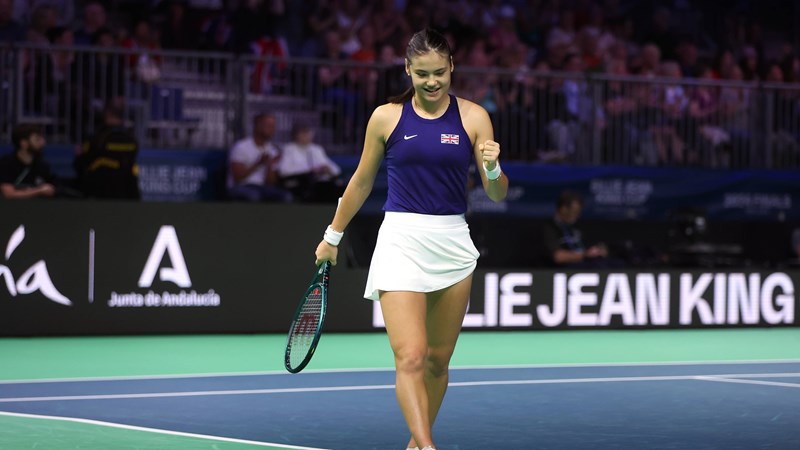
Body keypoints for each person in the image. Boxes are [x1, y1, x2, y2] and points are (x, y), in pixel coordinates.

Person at [313, 28, 508, 450]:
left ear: (452, 67)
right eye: (422, 74)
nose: (433, 82)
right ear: (407, 70)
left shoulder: (474, 117)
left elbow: (496, 192)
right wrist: (333, 235)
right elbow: (361, 182)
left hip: (453, 240)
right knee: (412, 356)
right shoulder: (387, 117)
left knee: (438, 362)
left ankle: (415, 444)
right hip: (401, 238)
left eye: (440, 72)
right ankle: (427, 445)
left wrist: (492, 169)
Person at [73, 99, 140, 199]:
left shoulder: (96, 138)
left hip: (99, 192)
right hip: (128, 192)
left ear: (107, 113)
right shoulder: (132, 140)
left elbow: (81, 163)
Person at [226, 112, 292, 202]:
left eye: (273, 126)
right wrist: (258, 163)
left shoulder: (273, 150)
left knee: (286, 197)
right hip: (241, 186)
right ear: (258, 125)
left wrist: (270, 165)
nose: (272, 129)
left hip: (263, 187)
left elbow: (271, 182)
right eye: (268, 126)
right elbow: (237, 177)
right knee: (254, 196)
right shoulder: (241, 146)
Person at [276, 121, 345, 203]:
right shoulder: (289, 149)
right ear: (295, 135)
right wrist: (310, 170)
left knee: (339, 189)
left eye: (308, 132)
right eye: (302, 133)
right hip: (298, 184)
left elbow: (335, 169)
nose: (306, 136)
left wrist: (327, 169)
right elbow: (284, 171)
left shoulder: (316, 149)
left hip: (320, 183)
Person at [541, 190, 610, 267]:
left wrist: (598, 251)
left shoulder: (577, 226)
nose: (577, 215)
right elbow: (557, 256)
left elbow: (590, 248)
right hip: (561, 270)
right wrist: (585, 255)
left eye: (578, 212)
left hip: (586, 266)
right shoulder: (549, 228)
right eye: (574, 211)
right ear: (563, 209)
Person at [0, 124, 57, 199]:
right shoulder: (6, 163)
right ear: (24, 143)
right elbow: (8, 194)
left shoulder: (43, 165)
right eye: (37, 139)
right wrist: (39, 191)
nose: (43, 143)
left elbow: (51, 188)